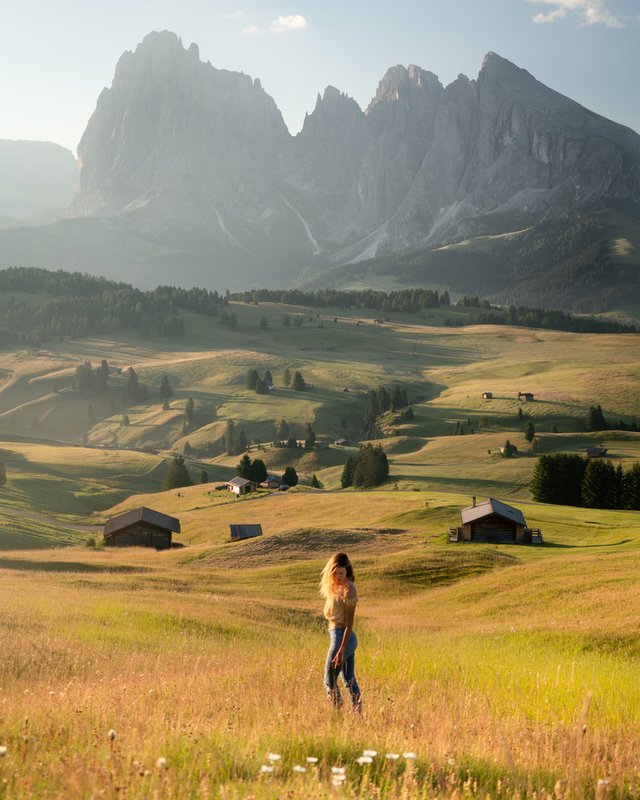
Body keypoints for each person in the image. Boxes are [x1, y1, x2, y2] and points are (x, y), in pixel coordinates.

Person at [320, 552, 362, 711]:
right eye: (335, 573)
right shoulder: (334, 586)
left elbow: (349, 623)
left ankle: (337, 715)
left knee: (329, 679)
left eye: (342, 573)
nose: (338, 576)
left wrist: (341, 650)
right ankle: (357, 716)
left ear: (348, 571)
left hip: (343, 636)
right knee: (348, 679)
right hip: (336, 635)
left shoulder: (349, 590)